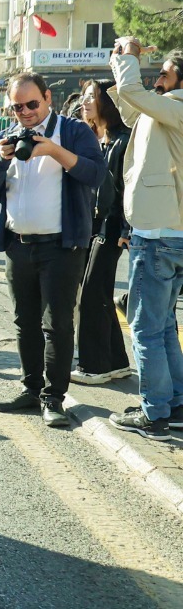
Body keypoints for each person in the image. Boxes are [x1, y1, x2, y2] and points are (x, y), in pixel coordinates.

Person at [0, 71, 104, 427]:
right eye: (18, 107)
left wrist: (53, 151)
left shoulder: (74, 131)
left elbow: (96, 174)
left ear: (47, 97)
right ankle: (31, 390)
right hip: (19, 246)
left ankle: (54, 398)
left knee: (58, 324)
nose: (26, 112)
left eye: (32, 104)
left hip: (62, 246)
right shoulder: (4, 137)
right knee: (24, 322)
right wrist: (0, 160)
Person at [105, 39, 183, 439]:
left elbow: (135, 94)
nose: (157, 80)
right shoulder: (167, 110)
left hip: (158, 236)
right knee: (164, 325)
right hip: (166, 234)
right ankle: (175, 403)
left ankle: (154, 415)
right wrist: (120, 64)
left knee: (145, 328)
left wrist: (130, 59)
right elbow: (132, 109)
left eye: (164, 74)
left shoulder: (179, 106)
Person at [70, 79, 133, 387]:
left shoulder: (123, 140)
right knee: (102, 295)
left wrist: (125, 228)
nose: (84, 101)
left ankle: (94, 366)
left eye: (91, 97)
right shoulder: (98, 139)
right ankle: (118, 362)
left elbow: (126, 189)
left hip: (111, 227)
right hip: (94, 225)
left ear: (107, 102)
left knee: (94, 295)